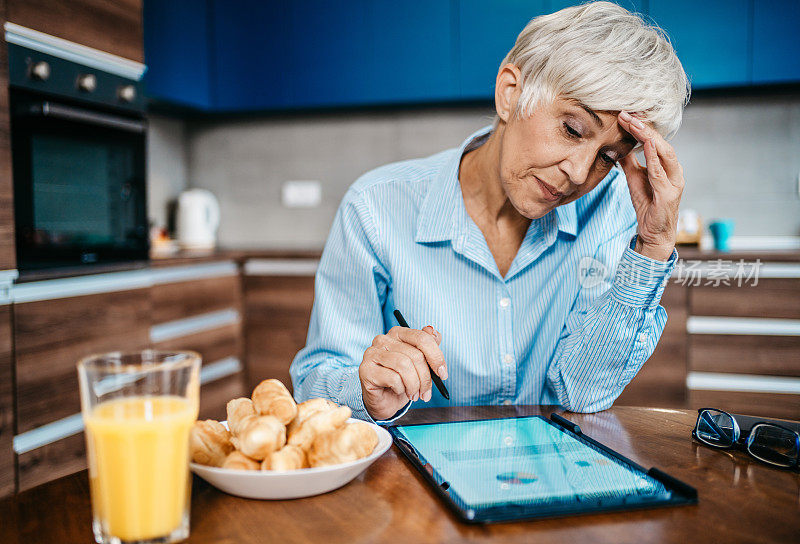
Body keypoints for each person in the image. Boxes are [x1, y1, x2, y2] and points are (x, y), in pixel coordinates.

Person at [290, 1, 690, 422]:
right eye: (572, 129)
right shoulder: (375, 207)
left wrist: (653, 246)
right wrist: (365, 388)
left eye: (608, 157)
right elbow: (315, 383)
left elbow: (582, 393)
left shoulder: (610, 214)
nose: (578, 173)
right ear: (510, 93)